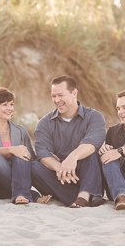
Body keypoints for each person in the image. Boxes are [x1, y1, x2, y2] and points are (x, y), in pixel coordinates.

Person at [31, 75, 107, 208]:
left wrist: (72, 158)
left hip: (88, 173)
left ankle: (83, 195)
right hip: (60, 178)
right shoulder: (44, 123)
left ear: (74, 93)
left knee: (90, 152)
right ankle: (85, 196)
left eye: (60, 95)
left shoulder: (94, 117)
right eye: (53, 96)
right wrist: (61, 168)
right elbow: (43, 153)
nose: (56, 100)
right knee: (33, 166)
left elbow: (93, 141)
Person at [0, 87, 50, 204]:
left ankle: (21, 193)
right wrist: (11, 149)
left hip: (21, 178)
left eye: (11, 104)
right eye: (5, 105)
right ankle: (32, 195)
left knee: (22, 153)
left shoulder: (20, 130)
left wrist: (48, 160)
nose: (10, 108)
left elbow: (32, 158)